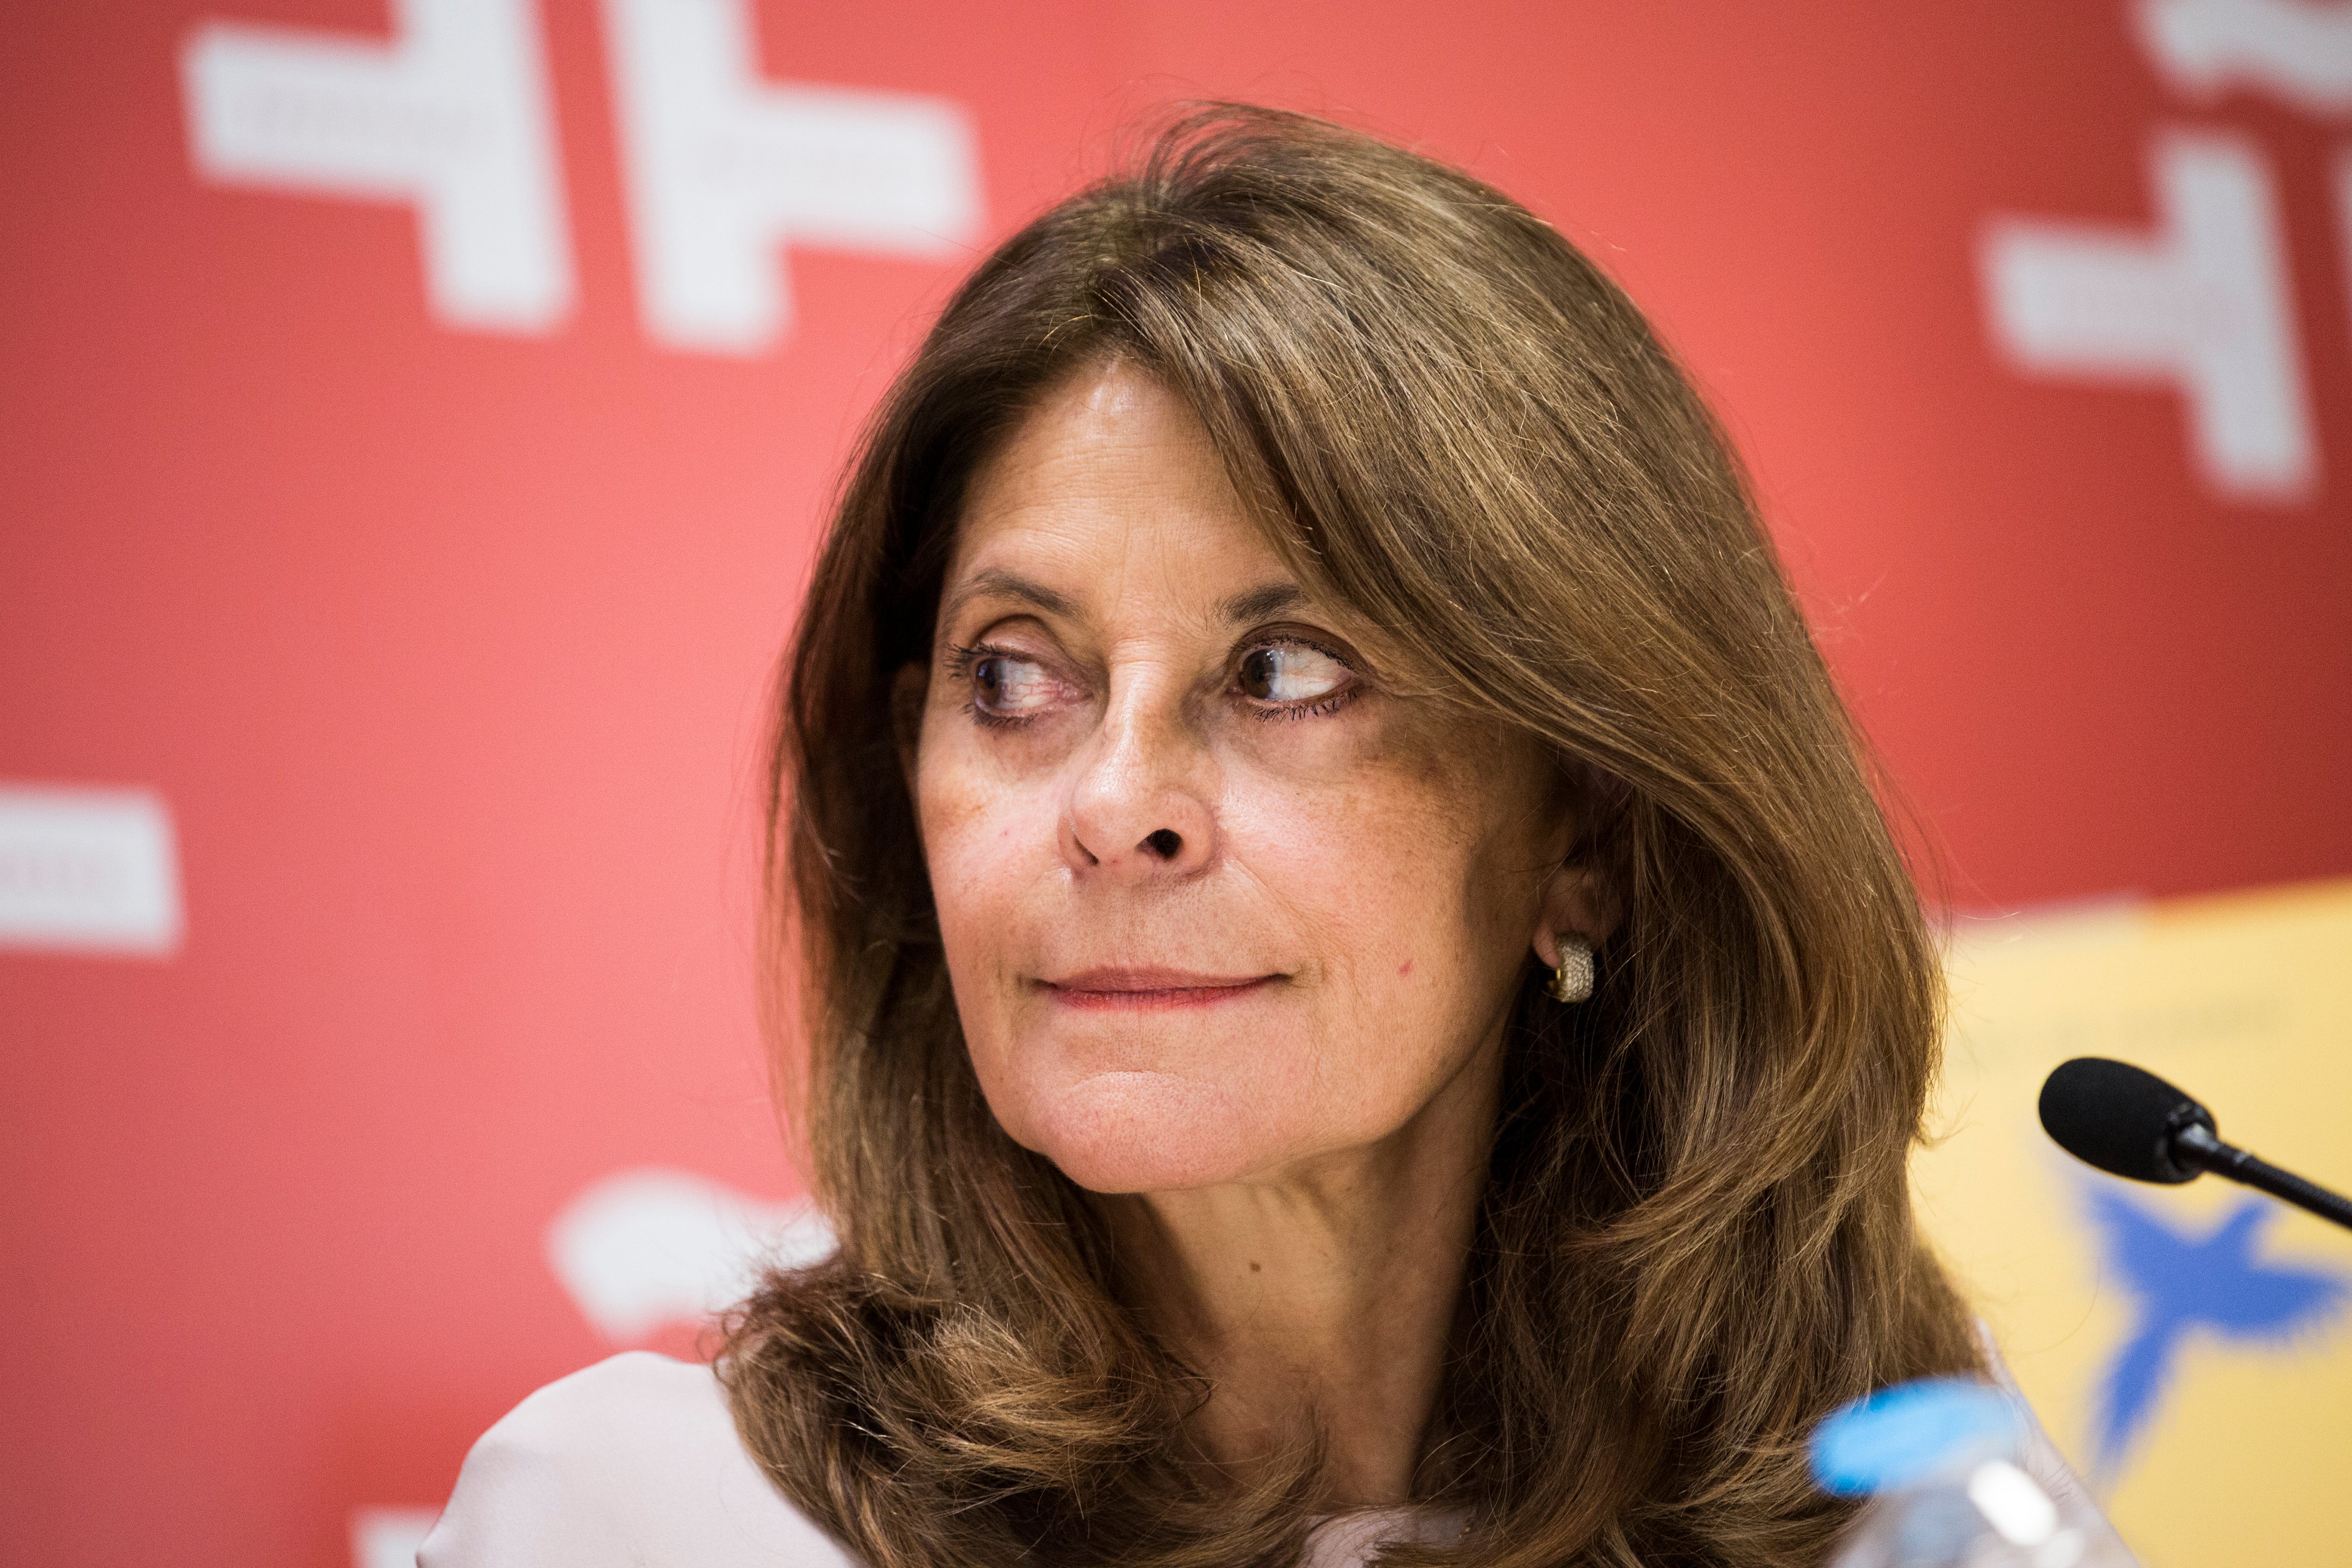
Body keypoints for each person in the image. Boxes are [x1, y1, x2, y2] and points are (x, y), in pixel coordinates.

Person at [421, 104, 2113, 1568]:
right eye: (1013, 675)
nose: (1109, 806)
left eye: (1285, 673)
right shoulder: (653, 1519)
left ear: (1587, 825)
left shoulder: (1888, 1501)